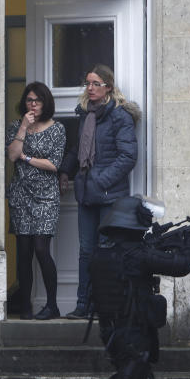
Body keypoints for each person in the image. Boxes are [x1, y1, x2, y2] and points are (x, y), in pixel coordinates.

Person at [67, 195, 190, 379]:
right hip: (132, 333)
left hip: (115, 333)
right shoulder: (136, 256)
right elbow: (180, 265)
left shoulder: (103, 254)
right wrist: (189, 246)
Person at [59, 64, 140, 320]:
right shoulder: (86, 114)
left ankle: (104, 305)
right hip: (86, 194)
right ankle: (83, 304)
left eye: (95, 83)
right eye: (88, 83)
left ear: (108, 87)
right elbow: (76, 149)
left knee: (106, 250)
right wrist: (65, 171)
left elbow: (128, 157)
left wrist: (101, 181)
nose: (90, 88)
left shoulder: (120, 116)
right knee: (86, 251)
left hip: (109, 196)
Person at [6, 82, 66, 320]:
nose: (33, 105)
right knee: (23, 251)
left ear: (46, 103)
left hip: (46, 197)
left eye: (37, 101)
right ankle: (25, 305)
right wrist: (23, 127)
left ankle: (52, 305)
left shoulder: (57, 129)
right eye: (29, 100)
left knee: (41, 249)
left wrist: (27, 157)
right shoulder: (15, 127)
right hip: (21, 195)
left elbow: (54, 164)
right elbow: (11, 156)